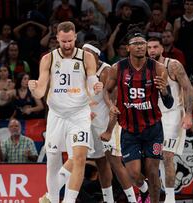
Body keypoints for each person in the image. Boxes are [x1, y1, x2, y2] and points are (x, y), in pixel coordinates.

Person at [28, 21, 103, 203]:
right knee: (53, 162)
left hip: (79, 114)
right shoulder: (48, 59)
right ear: (57, 39)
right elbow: (41, 90)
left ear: (75, 37)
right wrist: (34, 88)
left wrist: (96, 86)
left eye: (70, 41)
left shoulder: (86, 58)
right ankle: (52, 199)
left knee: (79, 158)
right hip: (56, 115)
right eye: (63, 41)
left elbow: (92, 83)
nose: (67, 45)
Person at [105, 29, 174, 203]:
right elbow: (106, 90)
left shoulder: (158, 68)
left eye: (142, 43)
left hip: (153, 129)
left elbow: (169, 103)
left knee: (152, 172)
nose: (140, 46)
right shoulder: (117, 68)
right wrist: (110, 105)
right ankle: (143, 190)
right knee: (134, 174)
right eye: (135, 43)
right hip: (129, 129)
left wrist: (165, 91)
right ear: (128, 48)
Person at [83, 41, 137, 203]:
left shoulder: (107, 71)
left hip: (109, 124)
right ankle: (108, 200)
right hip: (92, 124)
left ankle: (133, 200)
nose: (84, 56)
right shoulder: (83, 71)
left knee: (115, 162)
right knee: (100, 163)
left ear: (96, 55)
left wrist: (108, 130)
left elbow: (116, 104)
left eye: (87, 53)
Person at [147, 37, 193, 203]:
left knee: (167, 156)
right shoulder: (144, 67)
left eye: (155, 47)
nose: (152, 50)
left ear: (161, 49)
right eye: (149, 47)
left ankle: (170, 198)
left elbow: (188, 88)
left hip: (172, 114)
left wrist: (188, 114)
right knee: (155, 159)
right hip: (152, 116)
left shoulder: (173, 65)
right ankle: (152, 193)